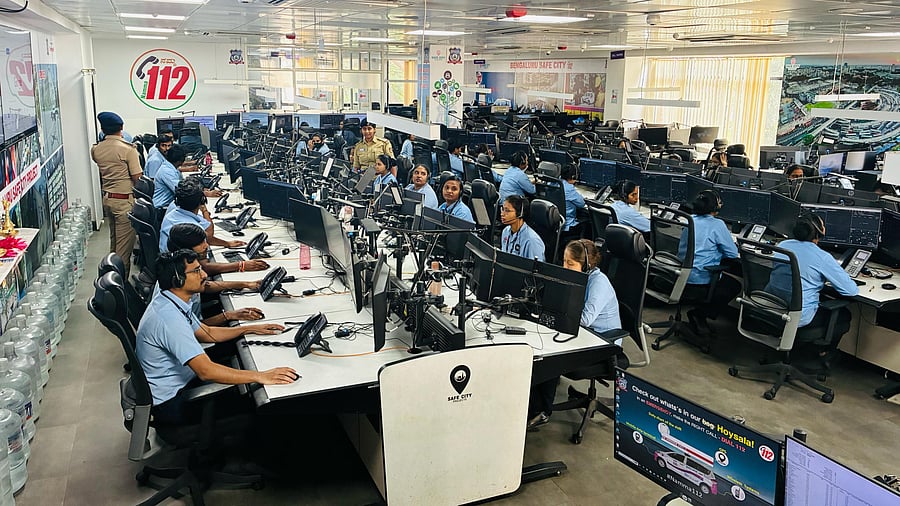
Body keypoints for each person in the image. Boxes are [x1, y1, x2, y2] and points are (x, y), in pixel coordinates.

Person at [137, 249, 296, 424]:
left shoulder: (170, 301)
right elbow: (206, 371)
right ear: (178, 280)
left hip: (180, 385)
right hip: (174, 404)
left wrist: (250, 329)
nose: (204, 274)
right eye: (197, 271)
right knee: (263, 406)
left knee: (242, 364)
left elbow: (208, 333)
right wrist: (261, 375)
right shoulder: (168, 319)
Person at [528, 239, 621, 429]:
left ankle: (542, 411)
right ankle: (530, 404)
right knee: (539, 345)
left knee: (550, 357)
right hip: (584, 336)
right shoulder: (578, 277)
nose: (565, 267)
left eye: (571, 263)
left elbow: (586, 319)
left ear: (587, 264)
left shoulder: (598, 283)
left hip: (604, 345)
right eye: (564, 261)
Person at [767, 213, 858, 336]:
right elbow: (850, 290)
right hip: (798, 317)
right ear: (819, 232)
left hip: (773, 308)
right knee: (844, 315)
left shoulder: (783, 245)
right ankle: (822, 353)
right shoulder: (823, 257)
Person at [164, 224, 268, 323]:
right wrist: (228, 315)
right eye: (200, 243)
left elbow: (207, 286)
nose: (206, 245)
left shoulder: (179, 270)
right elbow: (195, 329)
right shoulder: (177, 286)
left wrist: (246, 284)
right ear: (185, 250)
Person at [677, 189, 740, 333]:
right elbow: (732, 253)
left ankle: (699, 313)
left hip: (682, 275)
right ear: (715, 207)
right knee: (733, 285)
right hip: (700, 280)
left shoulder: (689, 220)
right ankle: (700, 314)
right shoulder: (717, 224)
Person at [91, 111, 142, 276]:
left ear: (103, 129)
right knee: (123, 250)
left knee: (114, 245)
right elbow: (137, 179)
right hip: (124, 203)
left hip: (108, 200)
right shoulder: (128, 150)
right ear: (121, 128)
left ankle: (110, 278)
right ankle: (121, 290)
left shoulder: (96, 150)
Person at [159, 178, 245, 253]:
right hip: (179, 269)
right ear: (202, 200)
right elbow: (205, 265)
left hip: (169, 263)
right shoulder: (191, 227)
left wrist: (227, 243)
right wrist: (241, 265)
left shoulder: (175, 211)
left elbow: (207, 236)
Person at [500, 195, 544, 261]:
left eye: (507, 211)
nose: (502, 214)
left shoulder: (531, 240)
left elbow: (536, 269)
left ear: (520, 213)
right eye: (502, 209)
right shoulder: (505, 231)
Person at [152, 144, 186, 209]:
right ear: (180, 161)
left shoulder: (169, 167)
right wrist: (207, 193)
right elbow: (182, 191)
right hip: (161, 208)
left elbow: (182, 183)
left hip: (167, 206)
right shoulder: (167, 171)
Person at [560, 164, 586, 232]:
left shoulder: (555, 183)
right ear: (573, 176)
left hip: (555, 223)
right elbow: (582, 204)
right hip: (568, 225)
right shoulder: (569, 188)